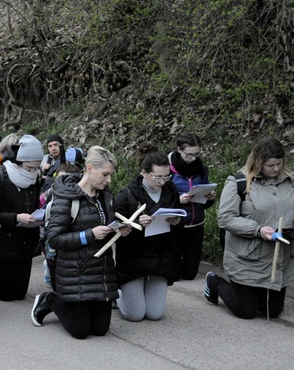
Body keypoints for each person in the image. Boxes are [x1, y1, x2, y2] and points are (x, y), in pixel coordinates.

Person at [32, 146, 131, 338]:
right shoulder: (67, 196)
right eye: (105, 174)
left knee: (100, 330)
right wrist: (89, 234)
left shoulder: (106, 197)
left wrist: (119, 230)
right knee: (80, 331)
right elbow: (54, 238)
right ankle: (51, 300)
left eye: (110, 175)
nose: (109, 180)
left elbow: (106, 230)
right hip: (73, 273)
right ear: (90, 168)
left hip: (100, 273)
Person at [208, 137, 294, 319]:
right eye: (271, 165)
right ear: (258, 162)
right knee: (246, 311)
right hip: (248, 256)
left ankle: (258, 294)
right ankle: (215, 282)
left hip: (280, 256)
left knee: (272, 311)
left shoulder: (291, 180)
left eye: (279, 163)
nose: (277, 169)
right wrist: (258, 230)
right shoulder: (239, 182)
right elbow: (225, 218)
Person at [114, 145, 182, 322]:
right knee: (135, 315)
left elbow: (178, 218)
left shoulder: (171, 190)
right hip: (133, 260)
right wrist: (136, 223)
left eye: (166, 176)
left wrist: (175, 221)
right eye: (157, 177)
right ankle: (117, 294)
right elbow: (114, 228)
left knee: (155, 314)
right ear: (144, 173)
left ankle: (139, 294)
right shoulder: (127, 195)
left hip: (161, 258)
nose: (162, 181)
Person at [0, 134, 44, 301]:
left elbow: (35, 205)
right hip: (3, 241)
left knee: (19, 294)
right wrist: (16, 217)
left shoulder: (35, 177)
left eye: (36, 168)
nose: (32, 172)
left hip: (25, 241)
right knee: (5, 294)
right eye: (29, 167)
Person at [168, 133, 216, 280]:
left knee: (190, 274)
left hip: (196, 223)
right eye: (189, 154)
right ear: (179, 150)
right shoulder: (167, 169)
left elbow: (206, 200)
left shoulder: (200, 168)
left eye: (197, 154)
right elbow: (159, 197)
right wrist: (178, 200)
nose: (193, 158)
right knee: (173, 276)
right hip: (175, 223)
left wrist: (209, 197)